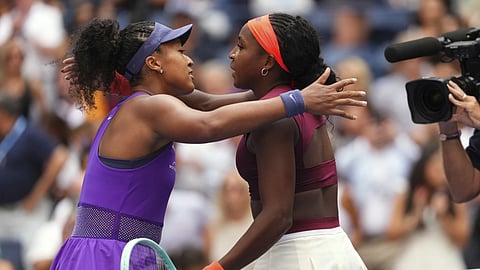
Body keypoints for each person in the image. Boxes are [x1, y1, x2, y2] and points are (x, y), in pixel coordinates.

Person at [50, 17, 366, 269]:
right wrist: (298, 99)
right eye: (180, 51)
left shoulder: (148, 104)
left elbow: (212, 105)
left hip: (118, 251)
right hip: (108, 254)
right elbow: (209, 123)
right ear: (154, 63)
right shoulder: (150, 107)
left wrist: (295, 95)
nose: (191, 61)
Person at [203, 13, 367, 270]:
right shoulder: (292, 99)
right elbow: (206, 105)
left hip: (297, 256)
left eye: (241, 46)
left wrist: (218, 268)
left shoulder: (275, 117)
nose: (231, 54)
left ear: (267, 60)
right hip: (330, 251)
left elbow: (278, 216)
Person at [0, 92, 68, 269]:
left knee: (29, 259)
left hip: (26, 212)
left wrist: (37, 194)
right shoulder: (2, 135)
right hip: (4, 211)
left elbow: (59, 156)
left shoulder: (28, 133)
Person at [387, 141, 469, 270]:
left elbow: (462, 238)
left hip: (445, 259)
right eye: (435, 164)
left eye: (444, 165)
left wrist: (443, 216)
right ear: (424, 164)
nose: (440, 170)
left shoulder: (456, 193)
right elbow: (392, 234)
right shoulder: (406, 191)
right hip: (412, 258)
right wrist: (417, 214)